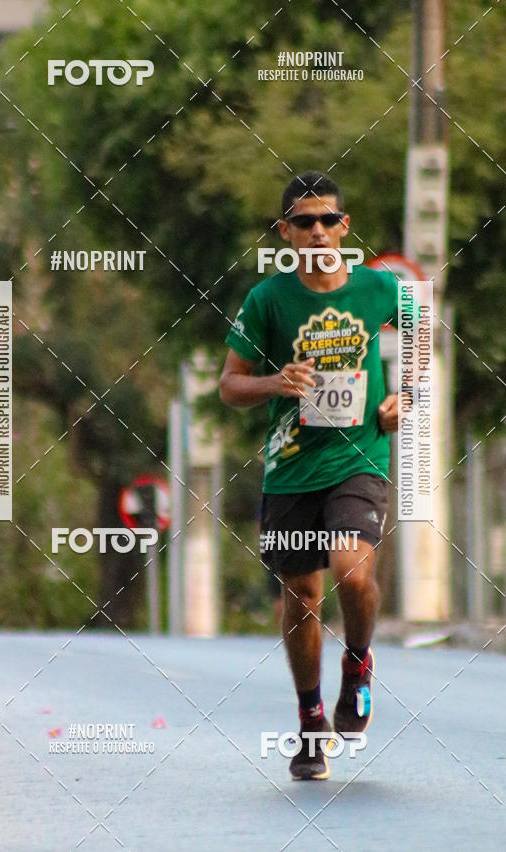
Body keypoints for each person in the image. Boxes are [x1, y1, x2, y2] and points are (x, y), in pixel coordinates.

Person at [219, 171, 401, 780]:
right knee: (301, 597)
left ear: (344, 227)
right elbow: (229, 385)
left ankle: (358, 663)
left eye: (328, 220)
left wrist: (407, 394)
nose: (317, 231)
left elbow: (425, 335)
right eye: (303, 221)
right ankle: (310, 722)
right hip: (291, 468)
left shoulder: (378, 289)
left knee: (352, 568)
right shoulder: (267, 301)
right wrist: (274, 382)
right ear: (285, 232)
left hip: (360, 458)